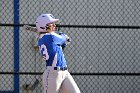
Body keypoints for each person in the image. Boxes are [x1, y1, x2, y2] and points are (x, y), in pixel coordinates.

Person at [36, 13, 81, 93]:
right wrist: (64, 36)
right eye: (51, 24)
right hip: (52, 75)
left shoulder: (46, 37)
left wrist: (63, 39)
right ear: (43, 26)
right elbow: (64, 39)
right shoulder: (51, 37)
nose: (54, 25)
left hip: (64, 72)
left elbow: (62, 43)